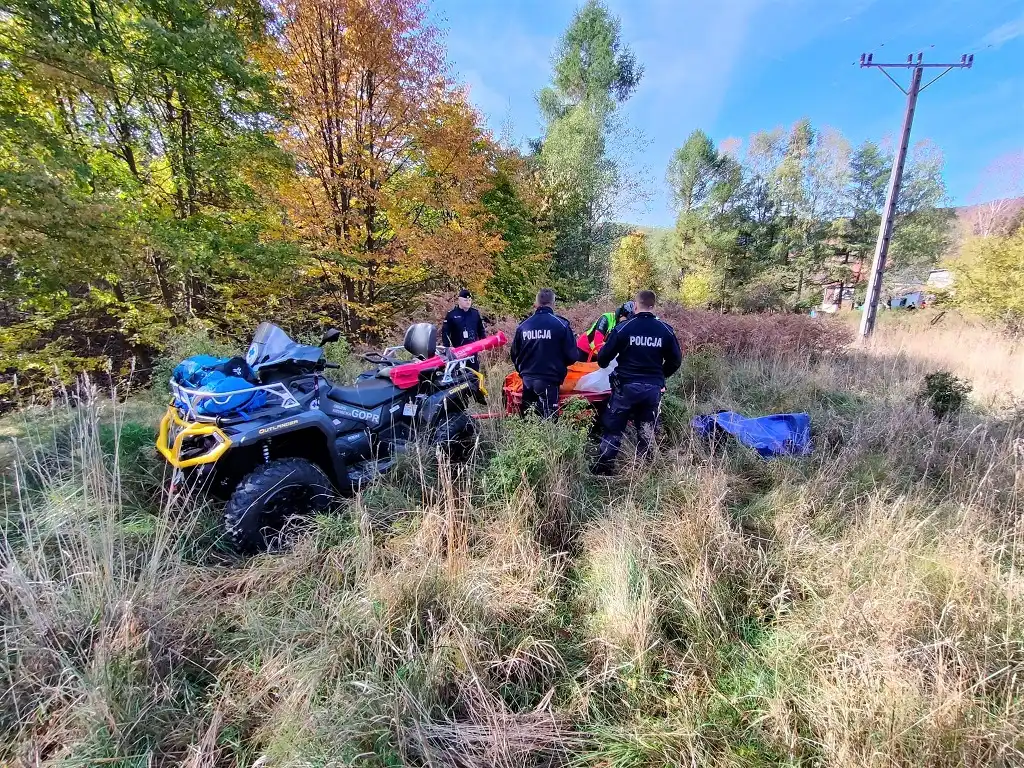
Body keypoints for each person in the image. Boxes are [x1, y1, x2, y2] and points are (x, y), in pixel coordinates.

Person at [591, 290, 682, 475]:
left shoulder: (624, 328)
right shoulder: (665, 329)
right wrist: (659, 376)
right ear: (653, 305)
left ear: (634, 304)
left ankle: (604, 469)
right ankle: (643, 471)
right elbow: (676, 361)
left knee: (613, 427)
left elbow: (602, 359)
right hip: (652, 390)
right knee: (646, 429)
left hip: (626, 387)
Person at [510, 288, 578, 418]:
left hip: (528, 379)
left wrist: (523, 371)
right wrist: (559, 365)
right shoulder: (561, 325)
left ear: (536, 303)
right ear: (553, 304)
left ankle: (525, 437)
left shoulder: (524, 326)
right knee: (549, 420)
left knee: (528, 419)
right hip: (550, 379)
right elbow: (572, 356)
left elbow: (514, 354)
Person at [442, 288, 486, 370]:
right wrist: (447, 348)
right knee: (460, 374)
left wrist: (483, 344)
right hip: (458, 350)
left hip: (473, 349)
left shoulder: (475, 313)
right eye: (466, 300)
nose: (468, 302)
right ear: (459, 300)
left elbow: (481, 330)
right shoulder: (452, 314)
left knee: (474, 374)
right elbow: (445, 332)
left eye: (469, 300)